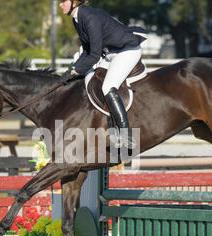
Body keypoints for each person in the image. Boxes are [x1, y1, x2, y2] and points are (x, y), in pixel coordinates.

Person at [59, 0, 148, 148]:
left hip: (127, 50)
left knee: (108, 86)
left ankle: (126, 135)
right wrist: (72, 69)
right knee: (93, 81)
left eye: (63, 1)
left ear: (75, 2)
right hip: (111, 53)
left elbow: (94, 55)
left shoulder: (89, 17)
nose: (60, 5)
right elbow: (87, 50)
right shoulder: (77, 19)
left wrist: (75, 71)